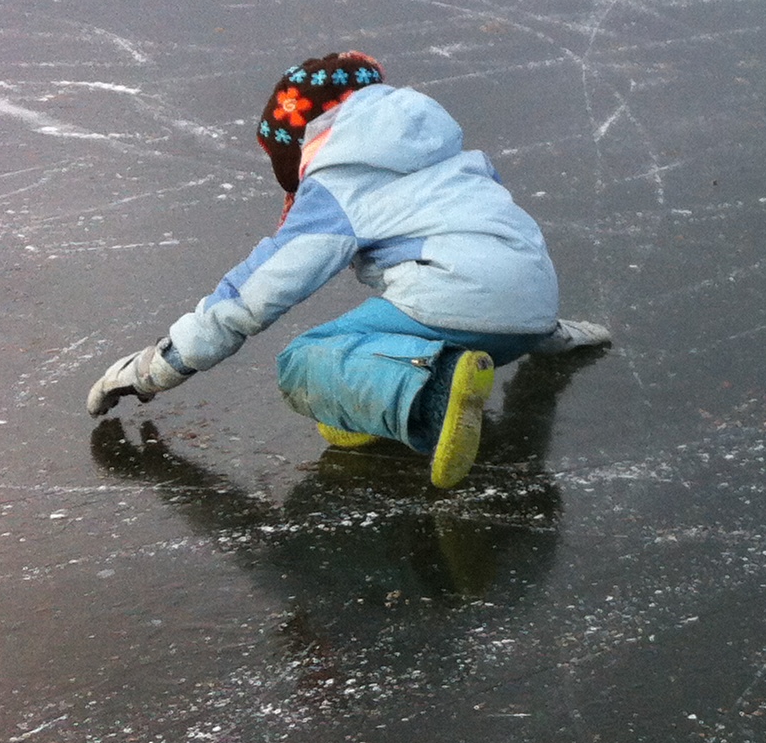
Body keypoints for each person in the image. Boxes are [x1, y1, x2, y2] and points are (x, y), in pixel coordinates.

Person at [86, 52, 610, 490]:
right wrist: (552, 330)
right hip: (527, 316)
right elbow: (499, 259)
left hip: (451, 307)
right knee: (397, 323)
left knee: (303, 359)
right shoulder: (454, 159)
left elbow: (257, 291)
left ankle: (434, 394)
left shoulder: (341, 182)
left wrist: (161, 365)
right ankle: (392, 398)